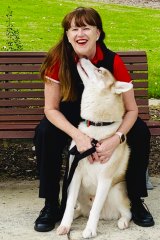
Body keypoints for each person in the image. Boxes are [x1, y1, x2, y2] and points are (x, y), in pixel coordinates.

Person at [33, 7, 154, 232]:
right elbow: (50, 109)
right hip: (70, 118)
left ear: (98, 33)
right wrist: (79, 136)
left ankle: (136, 201)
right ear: (67, 35)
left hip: (105, 120)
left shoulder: (112, 61)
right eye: (74, 28)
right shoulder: (58, 60)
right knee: (45, 133)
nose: (80, 33)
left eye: (86, 27)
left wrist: (116, 138)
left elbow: (132, 110)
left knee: (139, 132)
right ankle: (51, 204)